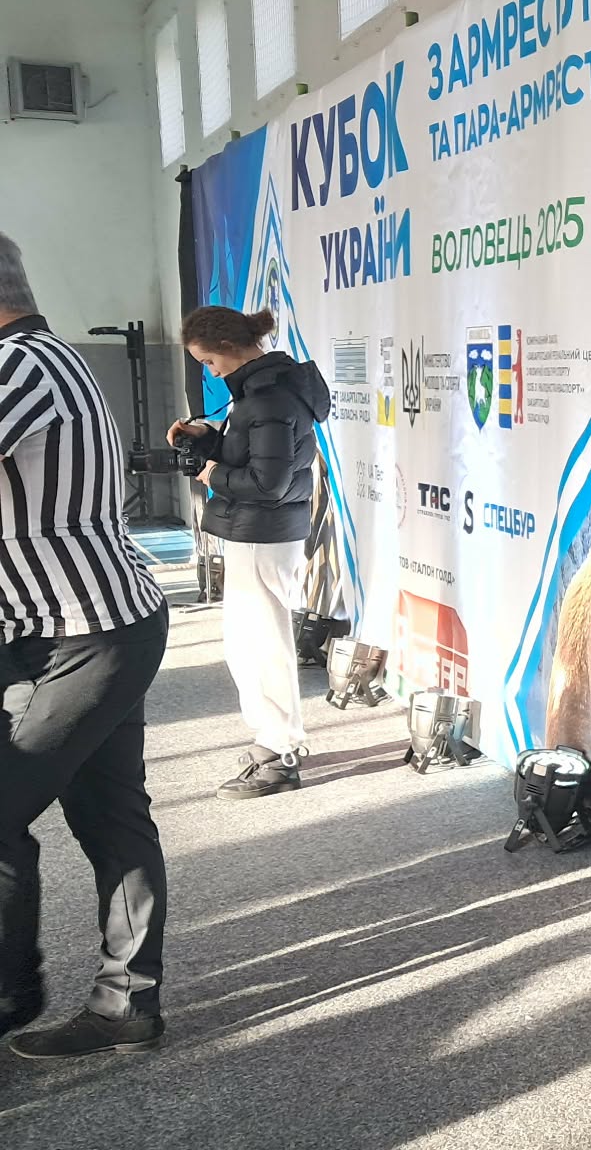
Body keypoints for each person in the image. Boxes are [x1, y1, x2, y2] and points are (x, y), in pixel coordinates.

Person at [0, 231, 173, 1059]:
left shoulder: (20, 367)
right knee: (111, 814)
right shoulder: (47, 357)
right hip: (85, 626)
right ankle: (126, 1003)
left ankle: (10, 995)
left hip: (88, 632)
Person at [170, 306, 331, 799]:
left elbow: (268, 483)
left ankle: (281, 752)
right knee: (250, 644)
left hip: (263, 533)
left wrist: (210, 473)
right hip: (258, 533)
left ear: (227, 348)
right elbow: (259, 455)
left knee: (261, 646)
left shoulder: (266, 397)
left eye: (208, 362)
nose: (210, 371)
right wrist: (208, 438)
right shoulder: (262, 391)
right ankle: (274, 741)